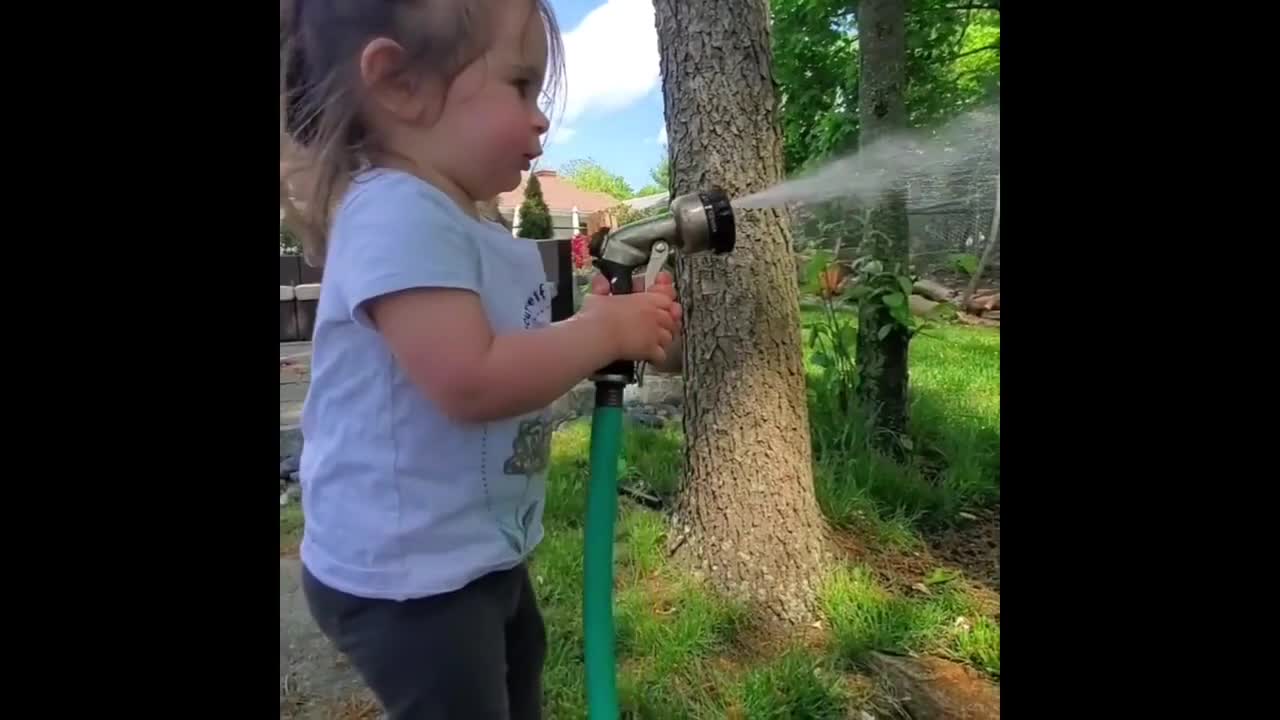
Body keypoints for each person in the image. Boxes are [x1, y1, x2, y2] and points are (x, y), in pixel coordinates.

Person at [279, 1, 683, 718]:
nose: (541, 120)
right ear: (400, 85)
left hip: (469, 550)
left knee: (519, 666)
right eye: (520, 86)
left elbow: (514, 344)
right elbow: (470, 378)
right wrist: (601, 334)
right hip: (406, 578)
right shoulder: (394, 211)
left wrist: (595, 322)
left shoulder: (465, 222)